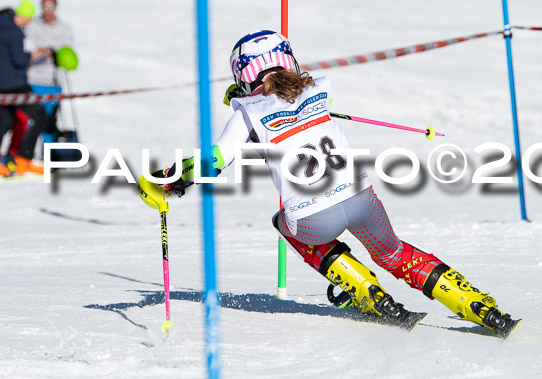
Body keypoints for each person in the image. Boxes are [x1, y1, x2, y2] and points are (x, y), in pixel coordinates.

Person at [139, 30, 518, 336]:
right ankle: (476, 305)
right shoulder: (319, 89)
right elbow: (293, 109)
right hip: (361, 199)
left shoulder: (247, 111)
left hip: (313, 220)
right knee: (395, 253)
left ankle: (366, 292)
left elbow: (216, 160)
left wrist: (166, 181)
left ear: (243, 76)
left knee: (282, 222)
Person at [0, 1, 48, 176]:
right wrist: (33, 55)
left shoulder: (2, 25)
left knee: (5, 122)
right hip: (14, 84)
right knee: (39, 115)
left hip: (2, 86)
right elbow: (20, 60)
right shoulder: (14, 32)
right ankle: (23, 160)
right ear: (24, 16)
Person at [26, 0, 75, 143]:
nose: (48, 11)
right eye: (45, 7)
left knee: (49, 121)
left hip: (53, 83)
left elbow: (68, 55)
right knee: (31, 120)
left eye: (51, 7)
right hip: (33, 81)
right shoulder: (32, 26)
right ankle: (27, 154)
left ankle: (47, 155)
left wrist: (53, 53)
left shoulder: (65, 28)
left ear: (56, 8)